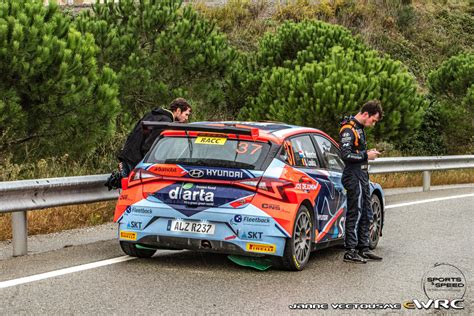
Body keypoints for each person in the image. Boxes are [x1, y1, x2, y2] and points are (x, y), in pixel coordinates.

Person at [339, 100, 383, 263]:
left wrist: (367, 152)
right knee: (355, 211)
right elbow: (345, 155)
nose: (373, 124)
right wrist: (366, 156)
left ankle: (363, 248)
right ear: (366, 114)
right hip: (353, 175)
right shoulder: (348, 129)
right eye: (373, 120)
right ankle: (350, 250)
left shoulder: (360, 129)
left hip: (363, 175)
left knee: (366, 210)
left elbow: (356, 152)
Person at [118, 98, 192, 177]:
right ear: (178, 110)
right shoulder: (165, 122)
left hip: (127, 156)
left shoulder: (152, 114)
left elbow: (133, 134)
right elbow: (149, 146)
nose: (186, 118)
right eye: (186, 114)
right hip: (135, 162)